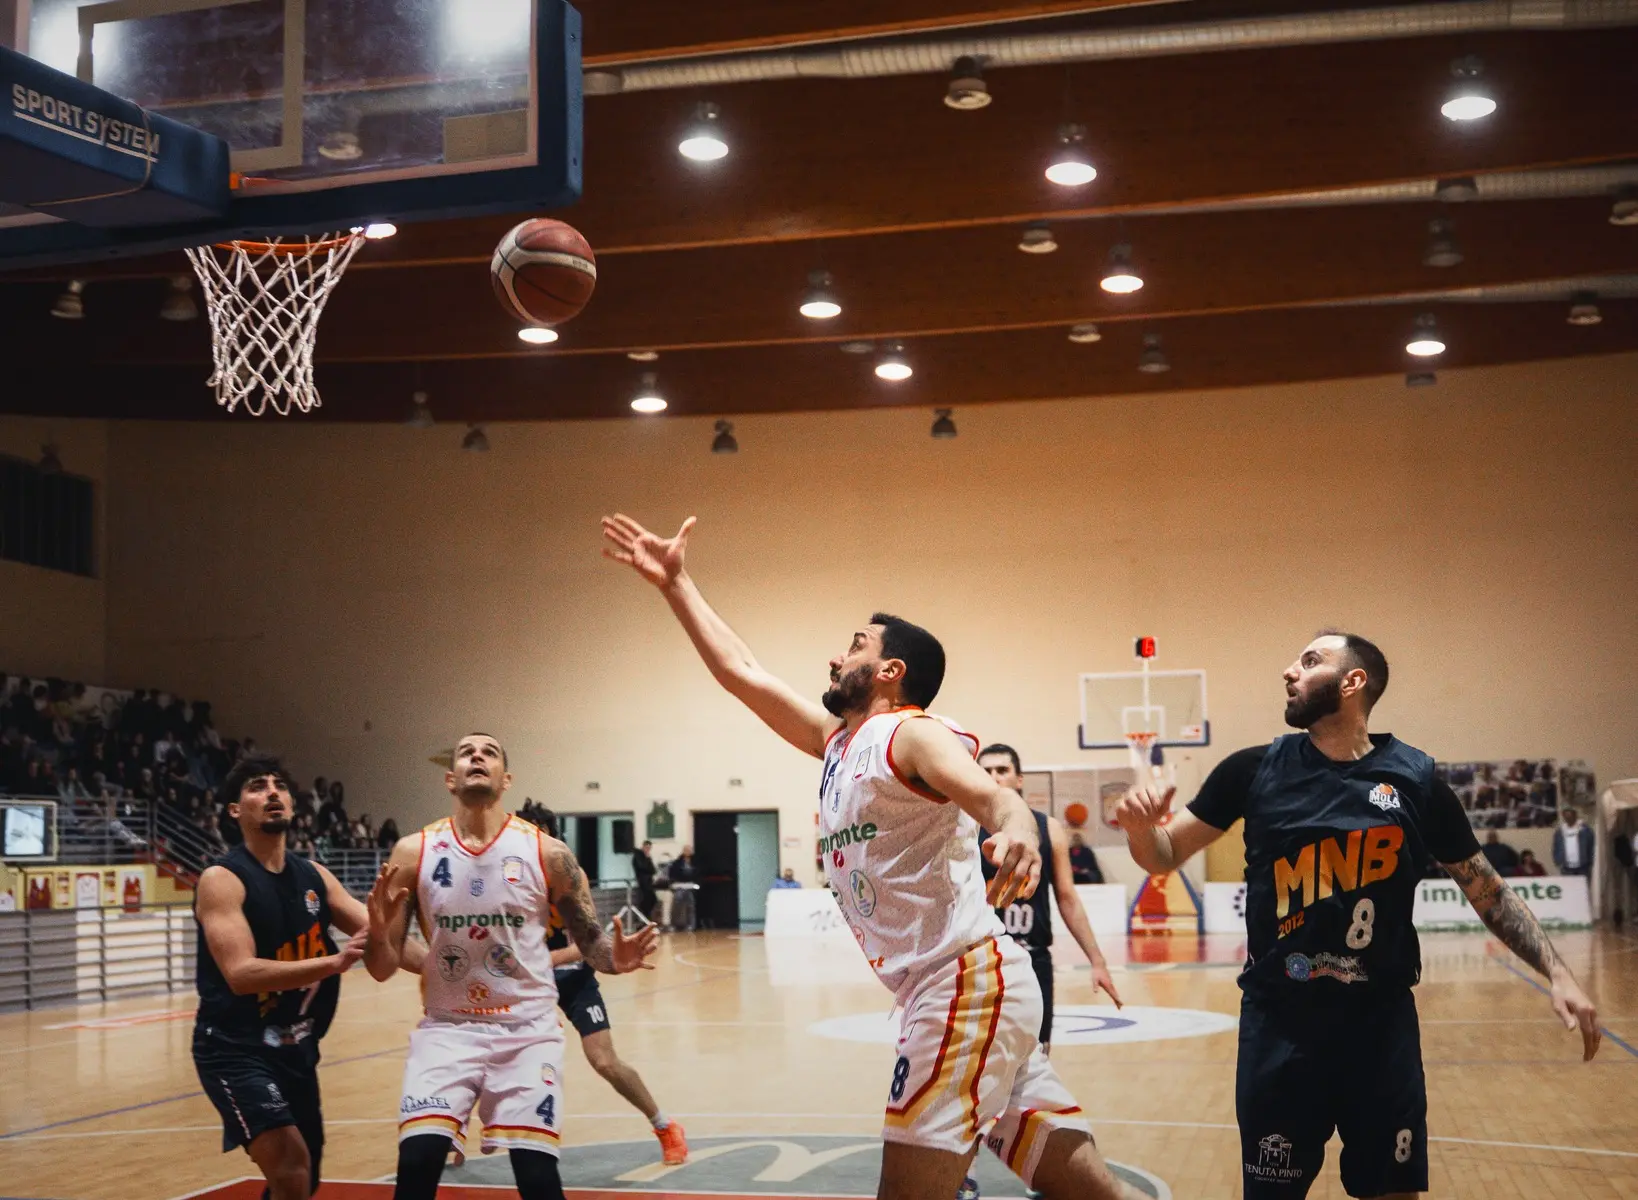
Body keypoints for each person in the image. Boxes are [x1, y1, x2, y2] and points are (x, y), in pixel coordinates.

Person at [603, 512, 1136, 1200]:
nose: (834, 657)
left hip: (961, 986)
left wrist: (1020, 828)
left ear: (889, 670)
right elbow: (740, 672)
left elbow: (990, 795)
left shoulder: (909, 734)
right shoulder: (837, 743)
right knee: (1085, 1188)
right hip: (951, 988)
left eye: (852, 645)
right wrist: (677, 584)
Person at [1115, 630, 1601, 1200]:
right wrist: (1140, 830)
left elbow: (1487, 892)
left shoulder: (1418, 783)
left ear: (1353, 683)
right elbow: (1166, 855)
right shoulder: (1251, 771)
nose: (1289, 671)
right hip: (1281, 1025)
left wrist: (1559, 971)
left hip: (1379, 1027)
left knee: (1393, 1192)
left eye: (1310, 660)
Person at [364, 732, 658, 1200]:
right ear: (449, 779)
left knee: (538, 1179)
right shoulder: (413, 853)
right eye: (466, 752)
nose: (477, 756)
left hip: (526, 1031)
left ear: (506, 780)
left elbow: (593, 943)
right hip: (447, 1029)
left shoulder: (549, 854)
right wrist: (378, 935)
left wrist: (614, 961)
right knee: (416, 1164)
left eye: (489, 752)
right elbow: (381, 968)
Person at [191, 754, 373, 1200]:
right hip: (234, 1050)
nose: (273, 792)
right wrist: (331, 963)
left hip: (295, 1048)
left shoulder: (314, 876)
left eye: (280, 785)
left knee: (304, 1178)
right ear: (235, 810)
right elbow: (241, 973)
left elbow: (376, 933)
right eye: (257, 786)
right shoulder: (223, 879)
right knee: (291, 1166)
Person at [1552, 807, 1594, 878]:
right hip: (1566, 867)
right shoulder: (1560, 831)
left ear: (1575, 816)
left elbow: (1591, 845)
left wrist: (1590, 861)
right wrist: (1558, 861)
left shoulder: (1584, 830)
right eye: (1566, 816)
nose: (1568, 818)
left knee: (1583, 887)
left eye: (1570, 816)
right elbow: (1556, 847)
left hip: (1583, 866)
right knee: (1569, 886)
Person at [667, 845, 698, 932]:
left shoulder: (695, 862)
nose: (688, 852)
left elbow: (697, 874)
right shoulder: (677, 862)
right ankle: (673, 924)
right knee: (677, 901)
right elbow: (672, 874)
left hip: (691, 886)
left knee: (691, 904)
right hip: (679, 885)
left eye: (689, 850)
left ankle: (691, 925)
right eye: (686, 850)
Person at [632, 839, 659, 924]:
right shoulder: (637, 856)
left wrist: (648, 859)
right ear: (643, 847)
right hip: (642, 883)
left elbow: (653, 870)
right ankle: (643, 920)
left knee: (653, 900)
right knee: (644, 902)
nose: (648, 850)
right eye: (646, 847)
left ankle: (646, 919)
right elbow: (642, 867)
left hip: (649, 883)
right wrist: (647, 859)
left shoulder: (647, 857)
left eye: (649, 848)